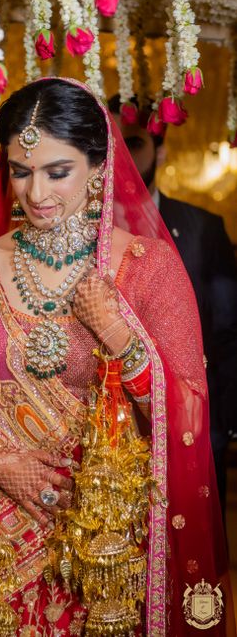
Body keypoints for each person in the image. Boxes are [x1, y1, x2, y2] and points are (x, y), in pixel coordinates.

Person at [0, 79, 235, 636]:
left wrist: (118, 333)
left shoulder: (150, 269)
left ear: (99, 166)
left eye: (57, 171)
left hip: (106, 553)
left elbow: (188, 413)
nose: (36, 192)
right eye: (21, 171)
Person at [108, 93, 237, 516]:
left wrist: (218, 422)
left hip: (191, 418)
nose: (122, 156)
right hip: (105, 423)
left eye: (135, 143)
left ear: (160, 149)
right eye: (113, 144)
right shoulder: (83, 229)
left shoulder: (202, 229)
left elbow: (226, 330)